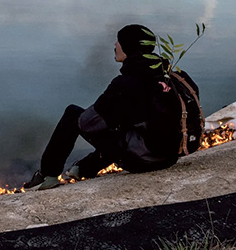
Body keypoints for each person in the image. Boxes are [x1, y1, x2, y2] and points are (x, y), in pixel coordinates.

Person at [23, 24, 184, 191]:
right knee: (121, 124)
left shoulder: (124, 83)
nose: (115, 44)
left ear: (129, 47)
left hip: (143, 160)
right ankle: (84, 168)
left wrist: (106, 114)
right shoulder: (168, 76)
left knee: (74, 114)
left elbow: (86, 123)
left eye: (119, 41)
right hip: (169, 157)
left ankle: (46, 176)